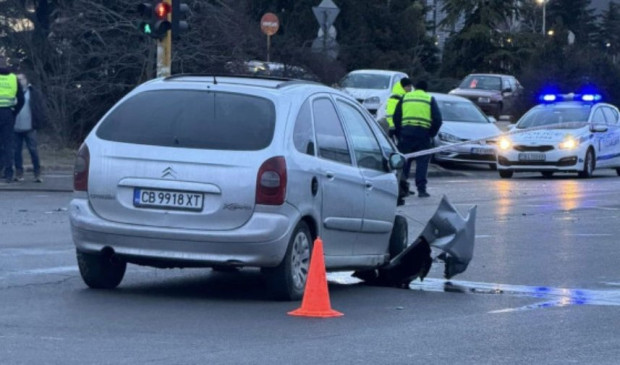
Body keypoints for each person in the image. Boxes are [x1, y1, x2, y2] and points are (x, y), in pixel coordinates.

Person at [393, 80, 442, 198]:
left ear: (415, 87)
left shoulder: (405, 97)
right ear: (426, 89)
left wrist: (400, 133)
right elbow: (437, 120)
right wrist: (431, 134)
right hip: (423, 135)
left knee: (404, 161)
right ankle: (421, 190)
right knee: (422, 162)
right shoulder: (429, 99)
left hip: (406, 133)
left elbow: (396, 117)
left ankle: (402, 188)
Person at [13, 73, 48, 182]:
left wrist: (39, 122)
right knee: (16, 151)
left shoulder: (33, 93)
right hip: (15, 127)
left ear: (26, 80)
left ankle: (37, 174)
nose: (19, 81)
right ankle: (19, 173)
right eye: (17, 79)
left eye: (21, 79)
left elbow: (39, 108)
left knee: (33, 150)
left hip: (30, 127)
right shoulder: (12, 93)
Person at [0, 56, 25, 183]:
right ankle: (8, 174)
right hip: (8, 114)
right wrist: (14, 112)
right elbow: (21, 99)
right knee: (8, 144)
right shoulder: (13, 78)